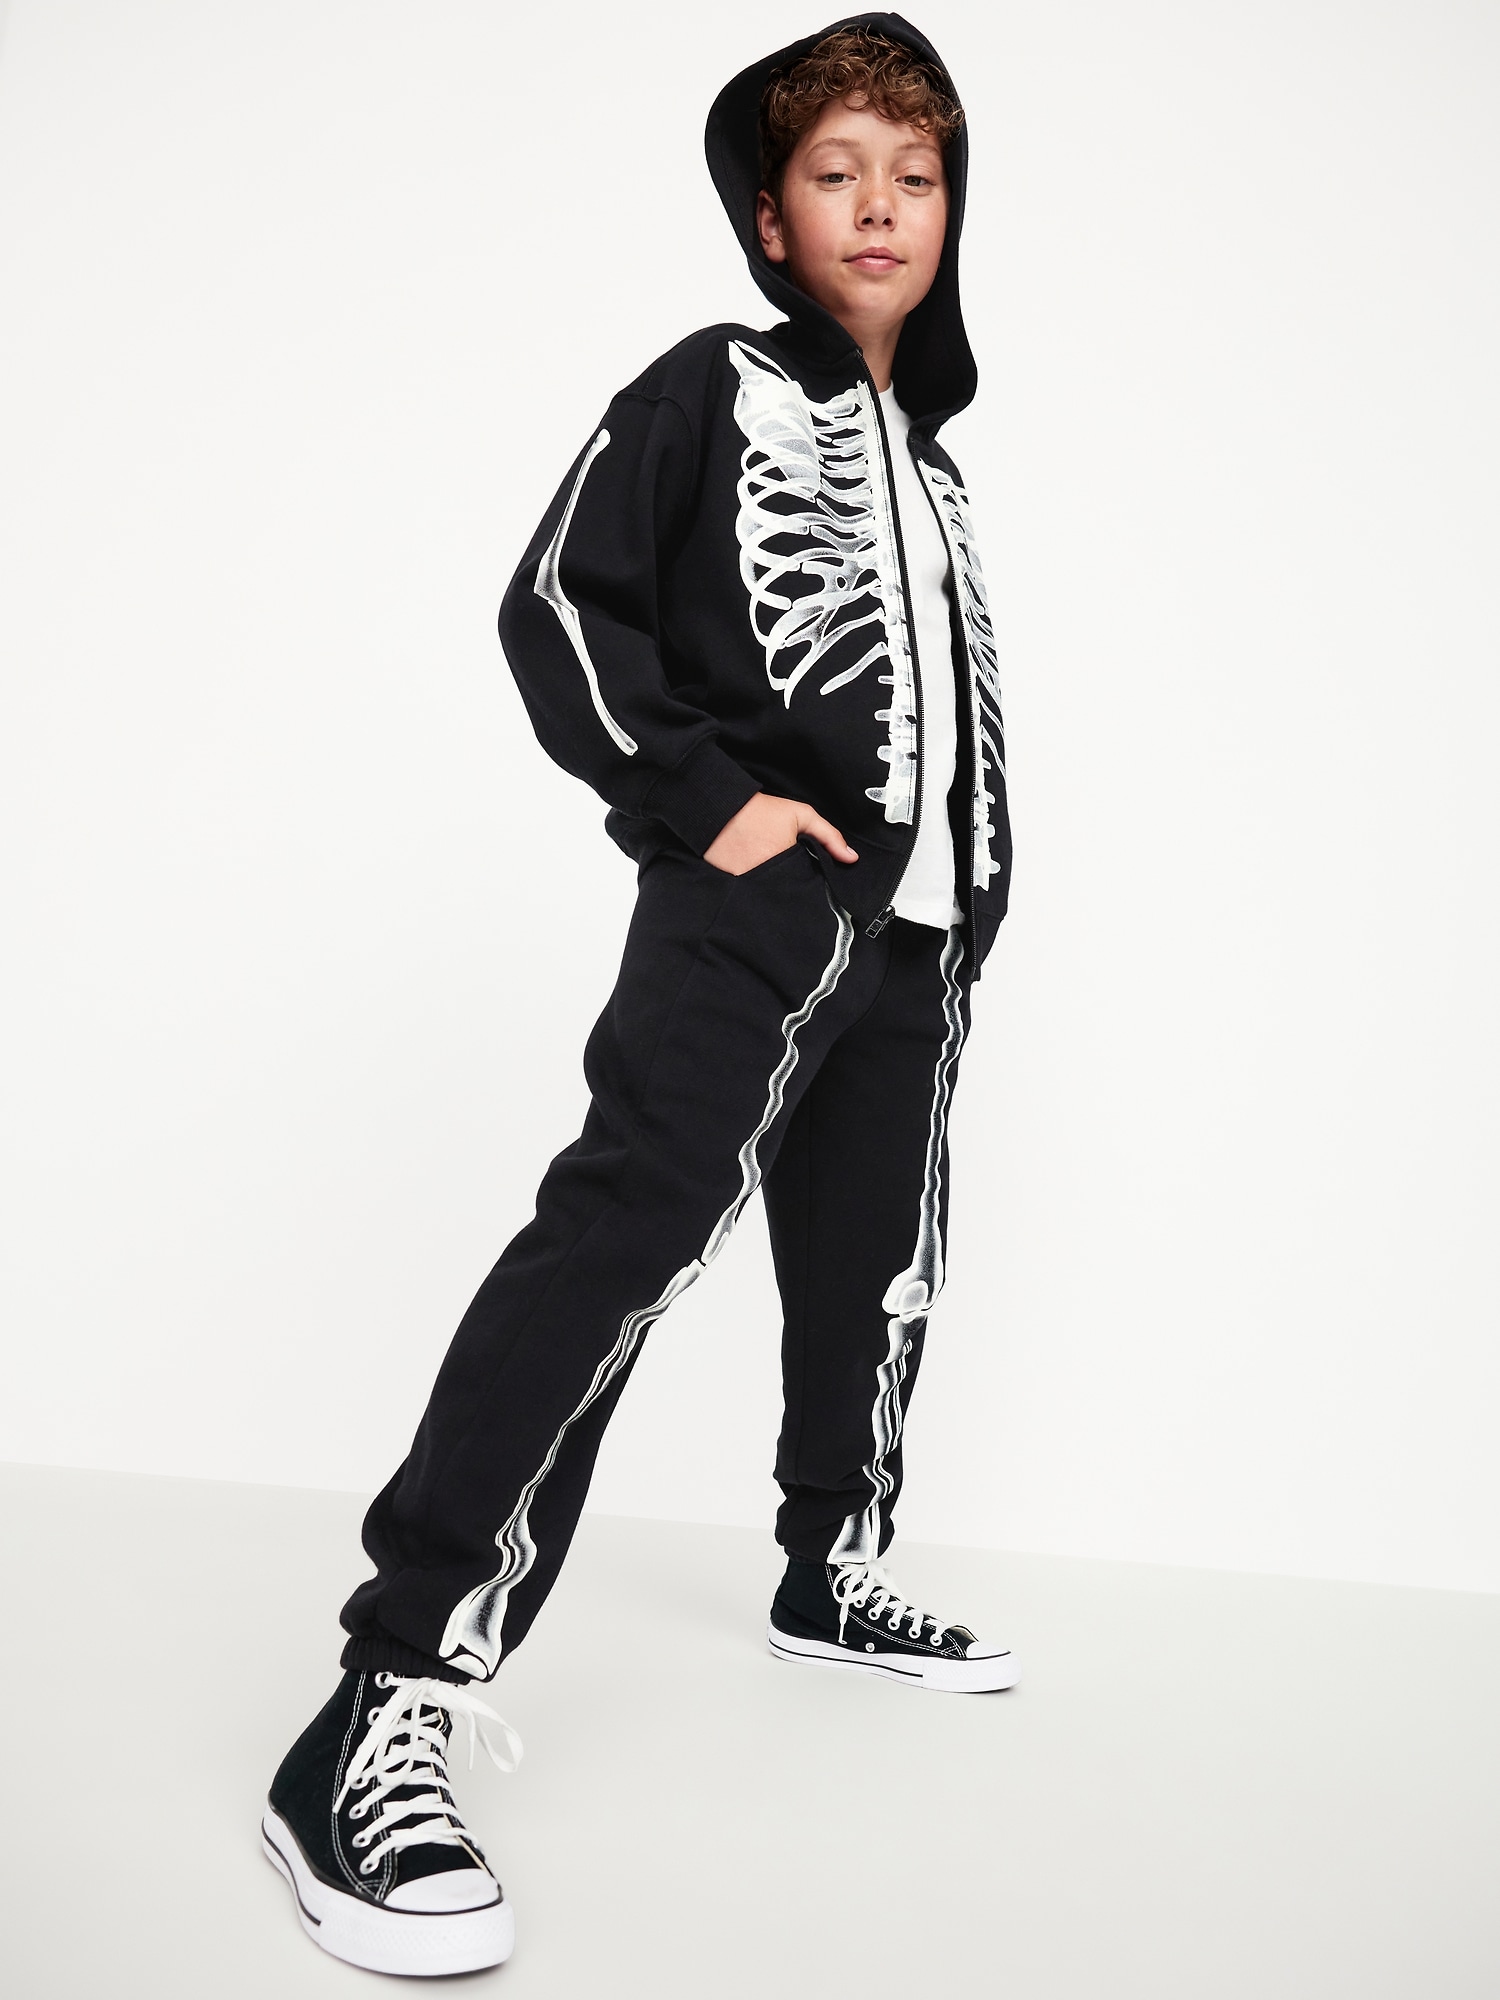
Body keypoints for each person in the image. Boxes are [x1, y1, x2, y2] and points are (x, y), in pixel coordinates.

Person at [261, 14, 1016, 1978]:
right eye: (838, 174)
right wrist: (704, 801)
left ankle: (827, 1564)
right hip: (752, 916)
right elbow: (554, 600)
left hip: (911, 942)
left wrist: (974, 897)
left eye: (917, 176)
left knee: (874, 1265)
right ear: (770, 221)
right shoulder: (706, 389)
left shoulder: (934, 465)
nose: (881, 206)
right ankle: (384, 1699)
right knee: (620, 1248)